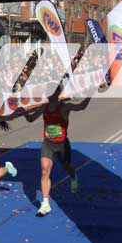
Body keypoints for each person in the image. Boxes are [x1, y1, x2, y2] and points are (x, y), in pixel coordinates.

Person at [24, 86, 90, 216]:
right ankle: (45, 203)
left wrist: (90, 95)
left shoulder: (64, 107)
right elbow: (31, 119)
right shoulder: (44, 107)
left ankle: (73, 176)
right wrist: (23, 112)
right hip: (48, 143)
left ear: (57, 94)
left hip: (62, 145)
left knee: (66, 166)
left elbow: (81, 106)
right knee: (45, 170)